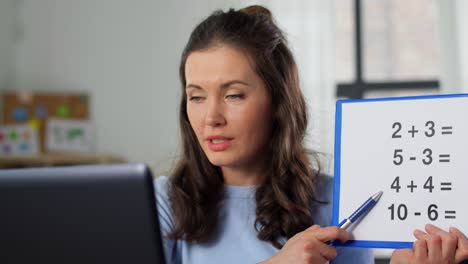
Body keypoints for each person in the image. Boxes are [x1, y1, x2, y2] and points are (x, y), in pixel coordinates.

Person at [154, 5, 468, 264]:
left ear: (279, 102)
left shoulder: (337, 204)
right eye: (196, 96)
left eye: (234, 95)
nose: (211, 118)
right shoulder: (164, 201)